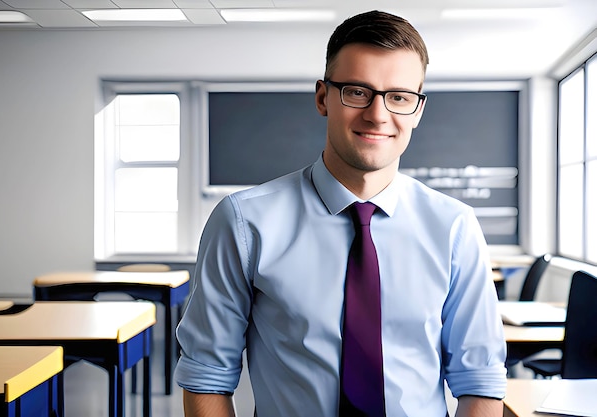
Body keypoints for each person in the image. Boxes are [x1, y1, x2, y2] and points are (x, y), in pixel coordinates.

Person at [175, 10, 507, 417]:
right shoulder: (244, 223)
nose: (378, 115)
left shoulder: (454, 227)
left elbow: (480, 384)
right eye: (357, 91)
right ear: (322, 98)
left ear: (418, 110)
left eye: (399, 97)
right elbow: (207, 377)